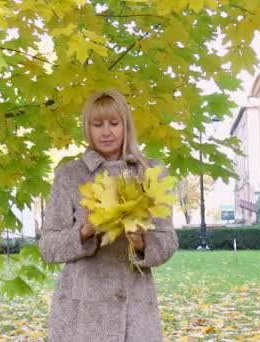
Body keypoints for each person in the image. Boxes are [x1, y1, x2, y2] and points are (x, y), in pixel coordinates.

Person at [38, 90, 179, 341]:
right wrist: (84, 232)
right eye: (97, 124)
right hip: (82, 313)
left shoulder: (151, 172)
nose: (106, 132)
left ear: (126, 125)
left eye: (114, 123)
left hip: (135, 308)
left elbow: (168, 240)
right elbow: (48, 247)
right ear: (87, 128)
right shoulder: (70, 175)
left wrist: (142, 243)